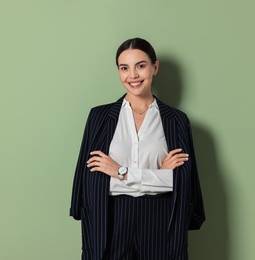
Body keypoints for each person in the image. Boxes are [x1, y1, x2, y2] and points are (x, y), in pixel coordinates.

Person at [70, 37, 205, 260]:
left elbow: (182, 183)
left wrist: (119, 172)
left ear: (155, 67)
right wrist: (159, 175)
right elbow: (91, 182)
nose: (132, 75)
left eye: (140, 66)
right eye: (125, 68)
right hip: (110, 220)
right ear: (119, 71)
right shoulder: (99, 117)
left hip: (159, 222)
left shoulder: (176, 120)